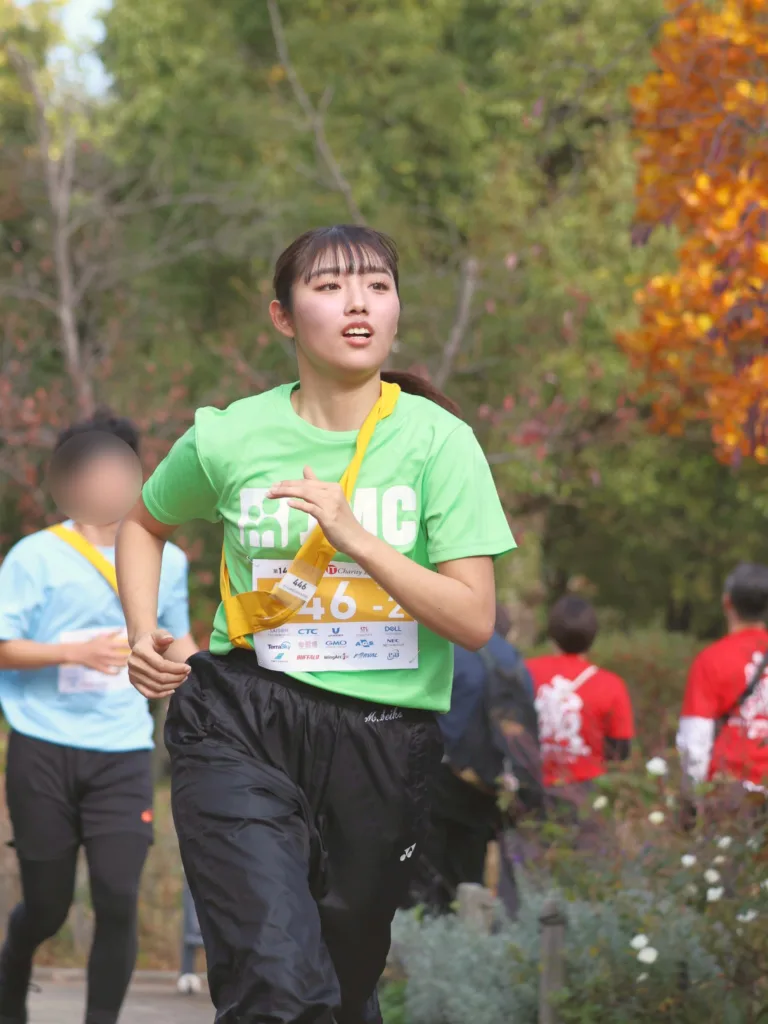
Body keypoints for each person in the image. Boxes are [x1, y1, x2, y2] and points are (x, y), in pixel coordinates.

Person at [115, 224, 516, 1024]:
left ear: (397, 308)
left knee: (341, 983)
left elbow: (474, 620)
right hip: (242, 719)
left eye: (376, 285)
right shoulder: (230, 436)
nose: (358, 303)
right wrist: (140, 630)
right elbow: (142, 524)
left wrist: (357, 540)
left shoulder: (440, 444)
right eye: (330, 287)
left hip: (382, 735)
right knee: (275, 979)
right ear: (283, 318)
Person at [0, 410, 196, 1024]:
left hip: (123, 749)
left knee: (117, 898)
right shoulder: (35, 556)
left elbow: (180, 638)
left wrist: (216, 675)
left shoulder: (172, 560)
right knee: (48, 907)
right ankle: (10, 988)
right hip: (43, 747)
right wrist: (73, 651)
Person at [405, 602, 537, 914]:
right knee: (470, 872)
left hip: (442, 776)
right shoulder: (514, 659)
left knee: (428, 873)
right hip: (490, 780)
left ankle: (429, 934)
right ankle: (470, 935)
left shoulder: (448, 650)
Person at [527, 595, 634, 820]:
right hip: (586, 793)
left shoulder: (525, 672)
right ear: (593, 636)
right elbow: (620, 751)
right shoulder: (611, 685)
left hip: (531, 787)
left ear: (552, 632)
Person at [677, 562, 768, 814]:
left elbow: (693, 742)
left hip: (730, 797)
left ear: (727, 602)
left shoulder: (711, 660)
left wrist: (693, 800)